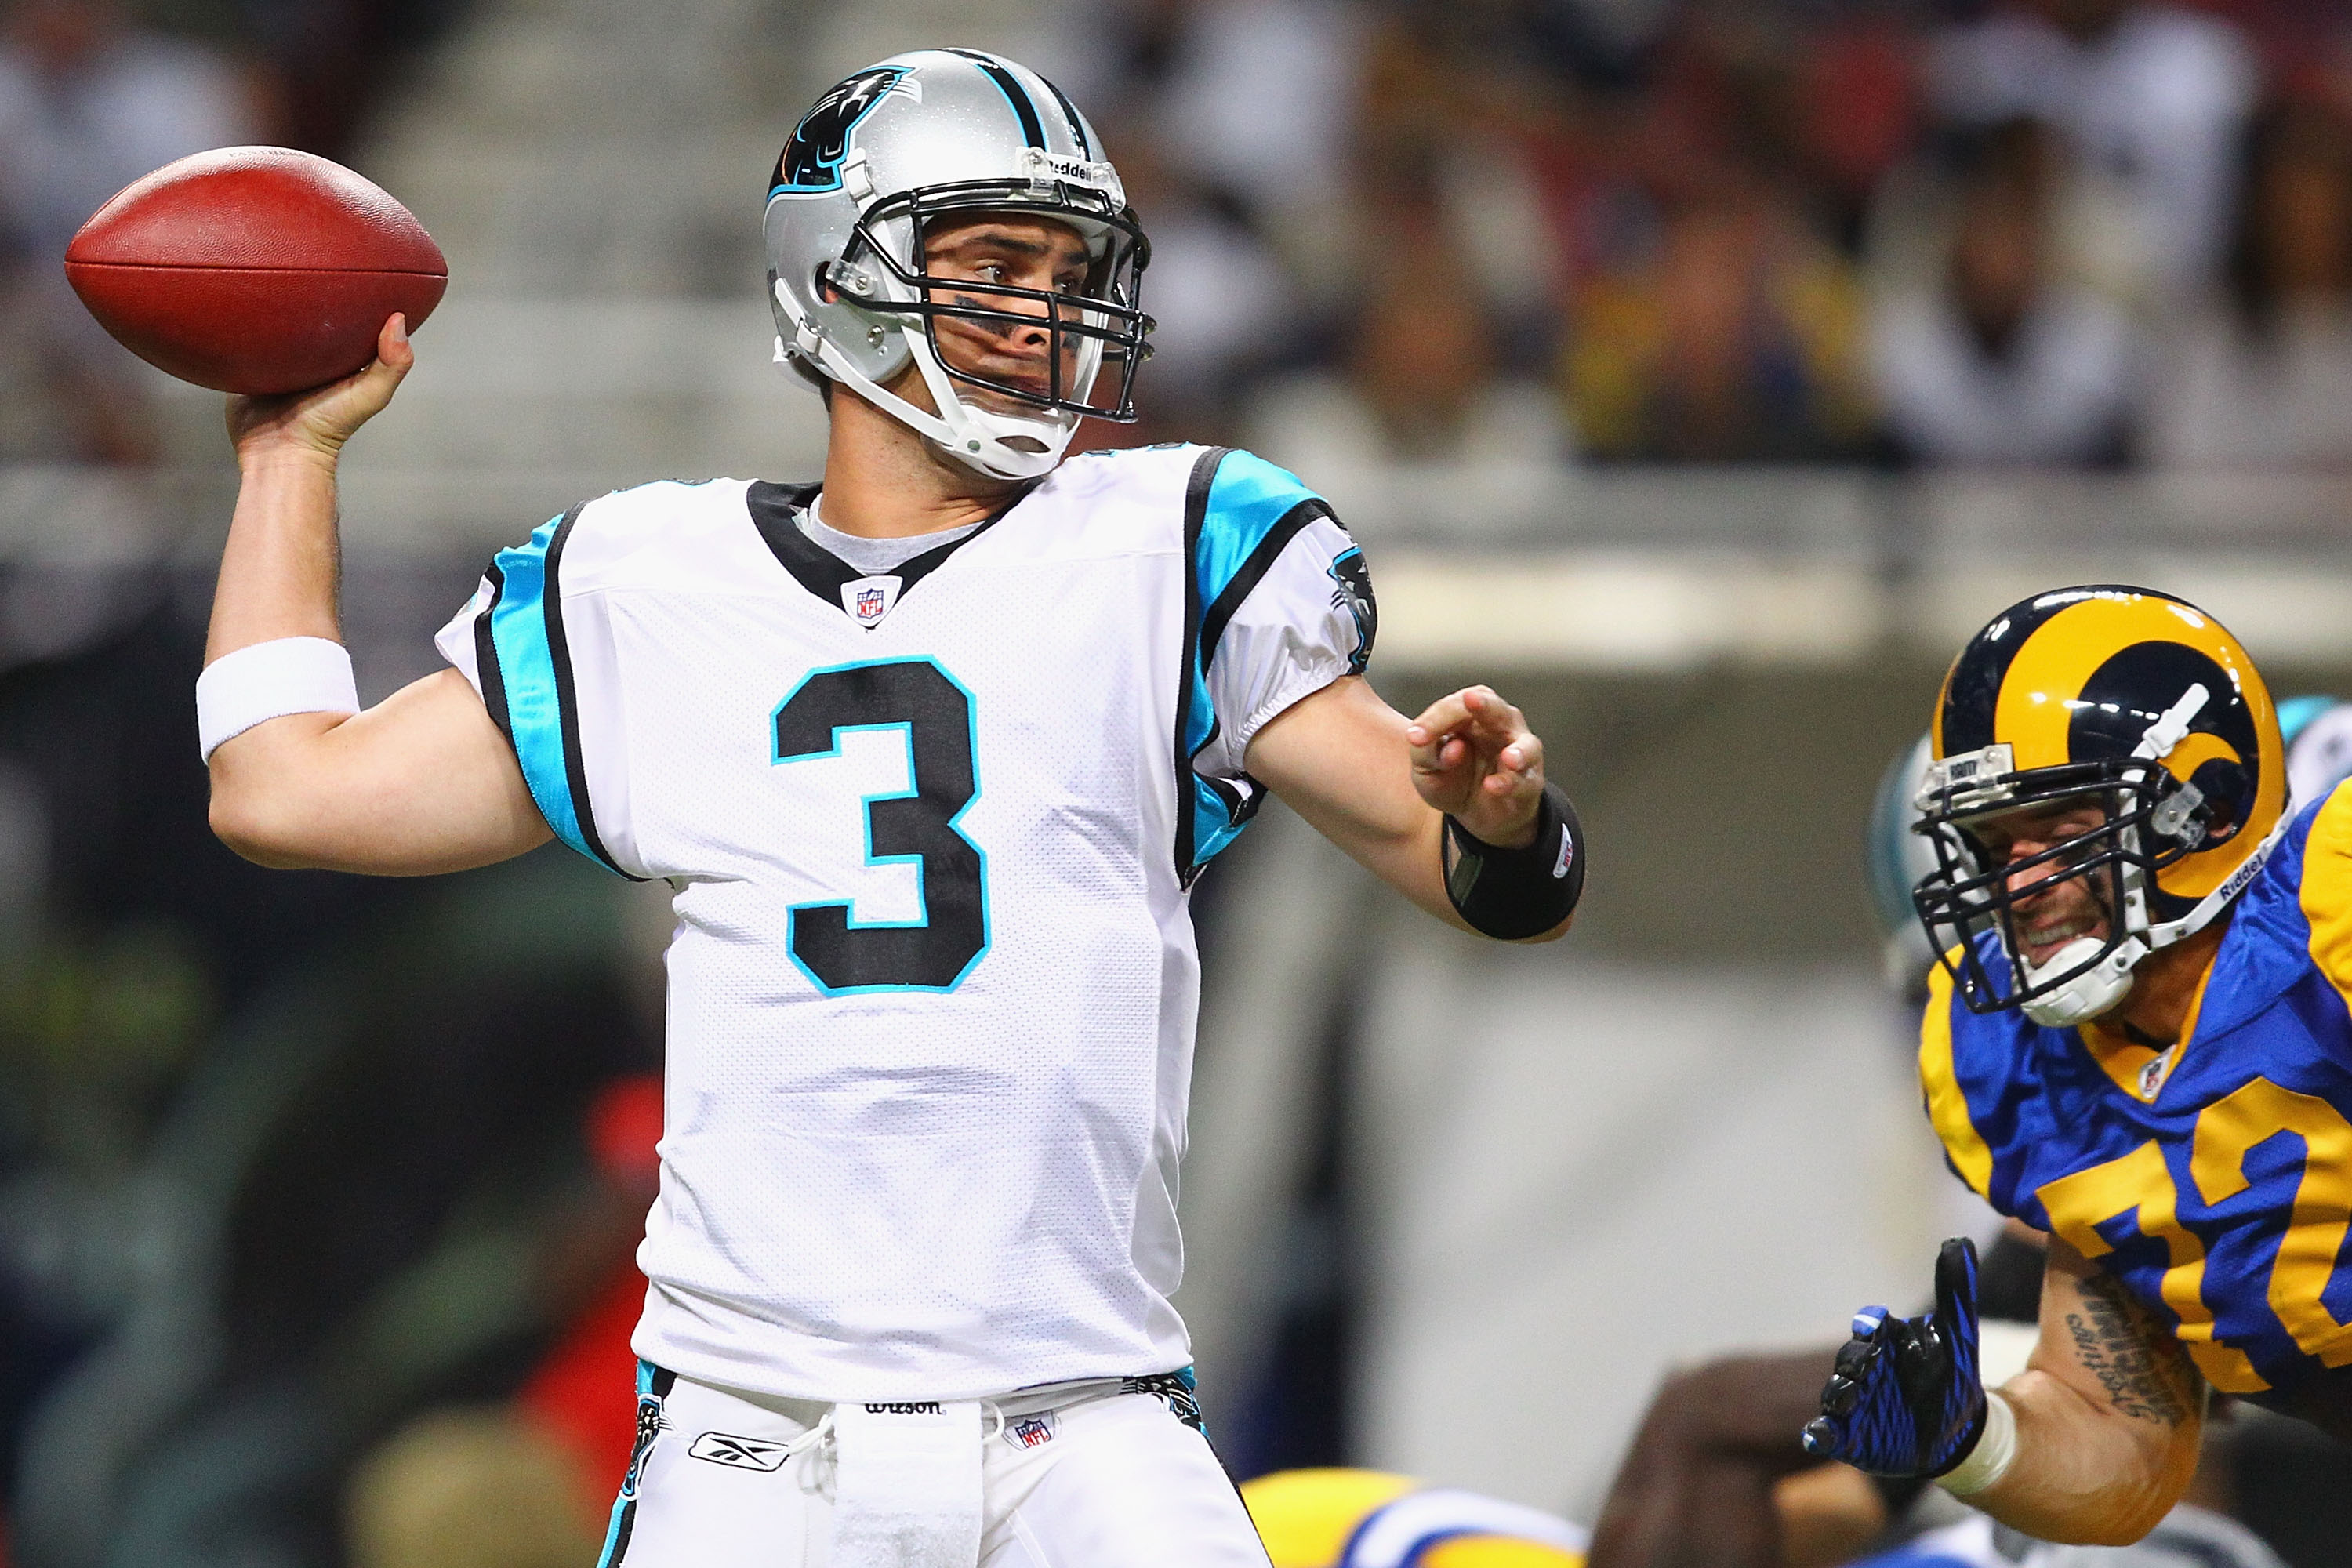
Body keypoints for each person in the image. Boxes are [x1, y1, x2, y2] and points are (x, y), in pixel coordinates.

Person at [197, 47, 1584, 1568]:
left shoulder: (1165, 544)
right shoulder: (647, 581)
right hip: (753, 1421)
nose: (1045, 310)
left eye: (1070, 267)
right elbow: (284, 787)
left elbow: (1468, 863)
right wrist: (289, 453)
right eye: (994, 261)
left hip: (1082, 1412)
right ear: (836, 282)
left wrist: (1498, 811)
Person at [1801, 584, 2352, 1545]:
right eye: (1992, 845)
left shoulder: (2330, 907)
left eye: (2056, 831)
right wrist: (1970, 1437)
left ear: (2201, 801)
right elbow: (2122, 1442)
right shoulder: (2028, 1071)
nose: (2018, 885)